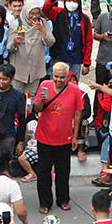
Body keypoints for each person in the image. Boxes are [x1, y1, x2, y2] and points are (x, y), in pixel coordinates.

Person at [32, 62, 83, 213]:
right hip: (44, 137)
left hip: (64, 138)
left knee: (63, 172)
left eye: (62, 77)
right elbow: (37, 108)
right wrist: (41, 99)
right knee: (43, 172)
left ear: (68, 77)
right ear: (52, 75)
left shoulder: (74, 90)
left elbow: (78, 113)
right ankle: (45, 202)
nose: (59, 80)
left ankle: (63, 199)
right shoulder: (45, 85)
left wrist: (75, 137)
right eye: (56, 77)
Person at [43, 0, 91, 77]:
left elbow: (88, 41)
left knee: (72, 85)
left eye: (74, 1)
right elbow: (46, 9)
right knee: (55, 83)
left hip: (75, 59)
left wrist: (87, 63)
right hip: (59, 57)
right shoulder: (58, 13)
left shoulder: (85, 19)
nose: (71, 4)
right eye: (69, 1)